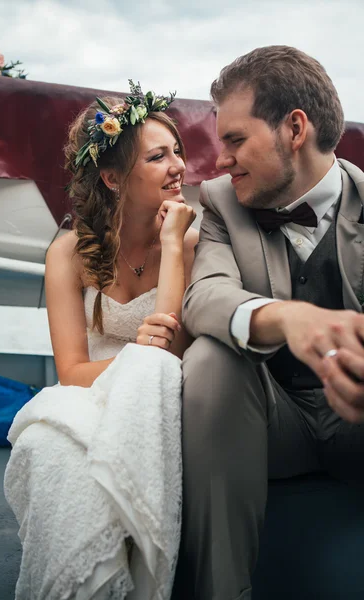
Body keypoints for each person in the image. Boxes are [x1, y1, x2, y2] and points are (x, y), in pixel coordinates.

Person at [173, 46, 364, 600]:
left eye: (235, 140)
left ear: (294, 128)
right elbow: (206, 296)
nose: (221, 160)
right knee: (209, 358)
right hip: (273, 420)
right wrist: (289, 316)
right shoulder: (220, 204)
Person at [4, 80, 198, 600]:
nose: (179, 165)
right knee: (46, 446)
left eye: (177, 151)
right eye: (158, 157)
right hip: (91, 388)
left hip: (164, 388)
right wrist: (138, 356)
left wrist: (173, 247)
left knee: (152, 372)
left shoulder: (194, 239)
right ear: (113, 178)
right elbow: (71, 369)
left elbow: (170, 352)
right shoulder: (67, 253)